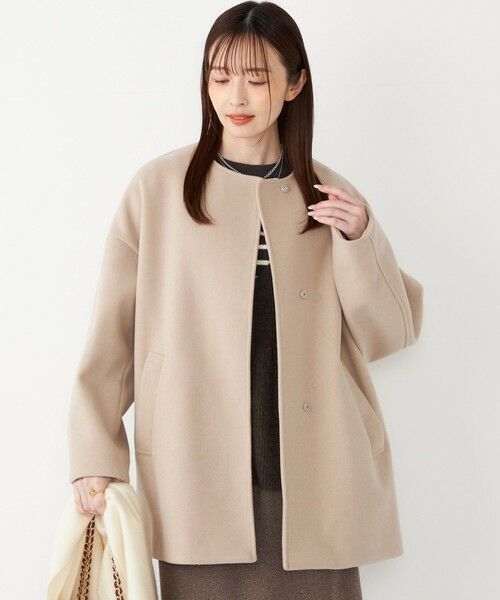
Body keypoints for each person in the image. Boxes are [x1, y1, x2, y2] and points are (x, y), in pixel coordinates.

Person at [68, 2, 423, 599]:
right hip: (195, 473)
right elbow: (113, 337)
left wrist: (361, 239)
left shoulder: (329, 195)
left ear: (295, 83)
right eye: (220, 77)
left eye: (257, 79)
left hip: (317, 478)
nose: (235, 96)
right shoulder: (158, 190)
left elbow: (390, 332)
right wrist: (95, 452)